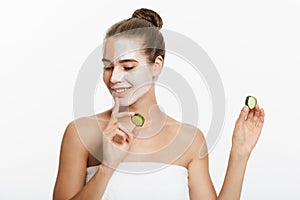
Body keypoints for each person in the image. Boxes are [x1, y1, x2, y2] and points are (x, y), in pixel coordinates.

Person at [53, 8, 265, 200]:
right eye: (108, 67)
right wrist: (107, 166)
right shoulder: (80, 133)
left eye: (127, 67)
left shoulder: (189, 140)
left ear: (156, 66)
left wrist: (240, 153)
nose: (114, 77)